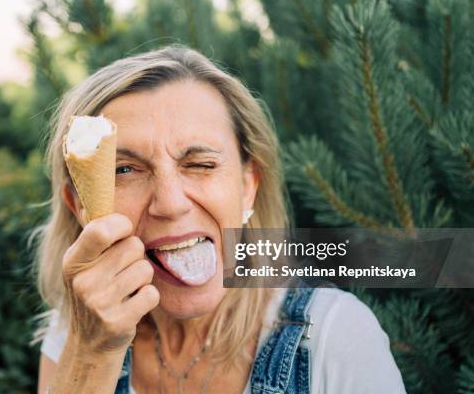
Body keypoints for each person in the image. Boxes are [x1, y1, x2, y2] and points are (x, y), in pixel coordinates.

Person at [33, 46, 406, 393]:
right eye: (126, 169)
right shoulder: (74, 334)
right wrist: (92, 355)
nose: (171, 203)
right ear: (79, 206)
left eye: (200, 164)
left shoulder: (335, 337)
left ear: (248, 186)